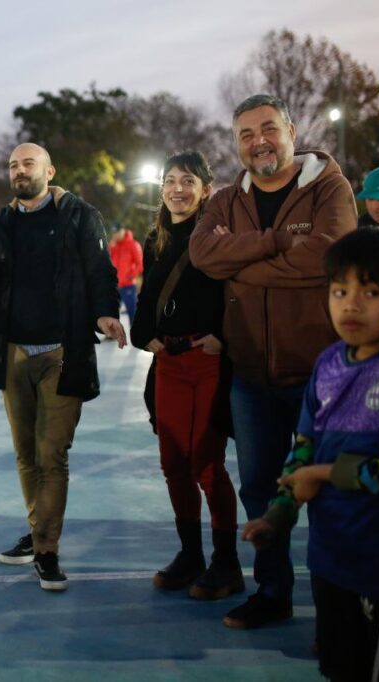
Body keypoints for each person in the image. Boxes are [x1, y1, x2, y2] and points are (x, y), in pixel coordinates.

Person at [189, 94, 357, 629]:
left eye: (267, 129)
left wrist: (244, 262)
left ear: (290, 129)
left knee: (331, 490)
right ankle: (273, 592)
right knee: (260, 488)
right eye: (245, 134)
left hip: (322, 373)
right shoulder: (223, 199)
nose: (257, 141)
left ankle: (341, 612)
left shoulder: (328, 185)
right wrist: (280, 243)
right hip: (251, 374)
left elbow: (330, 253)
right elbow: (203, 255)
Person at [0, 142, 125, 590]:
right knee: (26, 455)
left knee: (53, 455)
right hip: (12, 354)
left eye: (28, 163)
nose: (19, 171)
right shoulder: (2, 223)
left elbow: (100, 272)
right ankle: (37, 531)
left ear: (50, 170)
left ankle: (47, 550)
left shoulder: (80, 216)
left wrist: (106, 313)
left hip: (61, 353)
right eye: (13, 165)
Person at [243, 228, 379, 682]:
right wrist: (279, 515)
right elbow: (301, 451)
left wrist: (325, 475)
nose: (351, 304)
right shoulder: (327, 365)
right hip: (330, 562)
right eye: (340, 290)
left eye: (371, 292)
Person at [130, 151, 242, 600]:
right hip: (169, 364)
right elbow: (146, 297)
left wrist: (224, 338)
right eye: (170, 180)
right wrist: (145, 337)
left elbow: (241, 294)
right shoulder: (154, 237)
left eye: (188, 181)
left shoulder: (218, 235)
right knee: (173, 463)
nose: (178, 189)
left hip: (207, 361)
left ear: (205, 190)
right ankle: (191, 554)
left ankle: (226, 562)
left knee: (206, 463)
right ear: (161, 189)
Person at [109, 224, 143, 328]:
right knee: (111, 311)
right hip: (115, 285)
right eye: (114, 233)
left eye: (117, 232)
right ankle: (111, 334)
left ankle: (136, 332)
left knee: (132, 311)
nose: (116, 235)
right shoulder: (113, 245)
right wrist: (111, 247)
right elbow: (108, 262)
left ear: (123, 231)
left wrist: (130, 276)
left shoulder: (133, 244)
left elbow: (140, 264)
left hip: (128, 285)